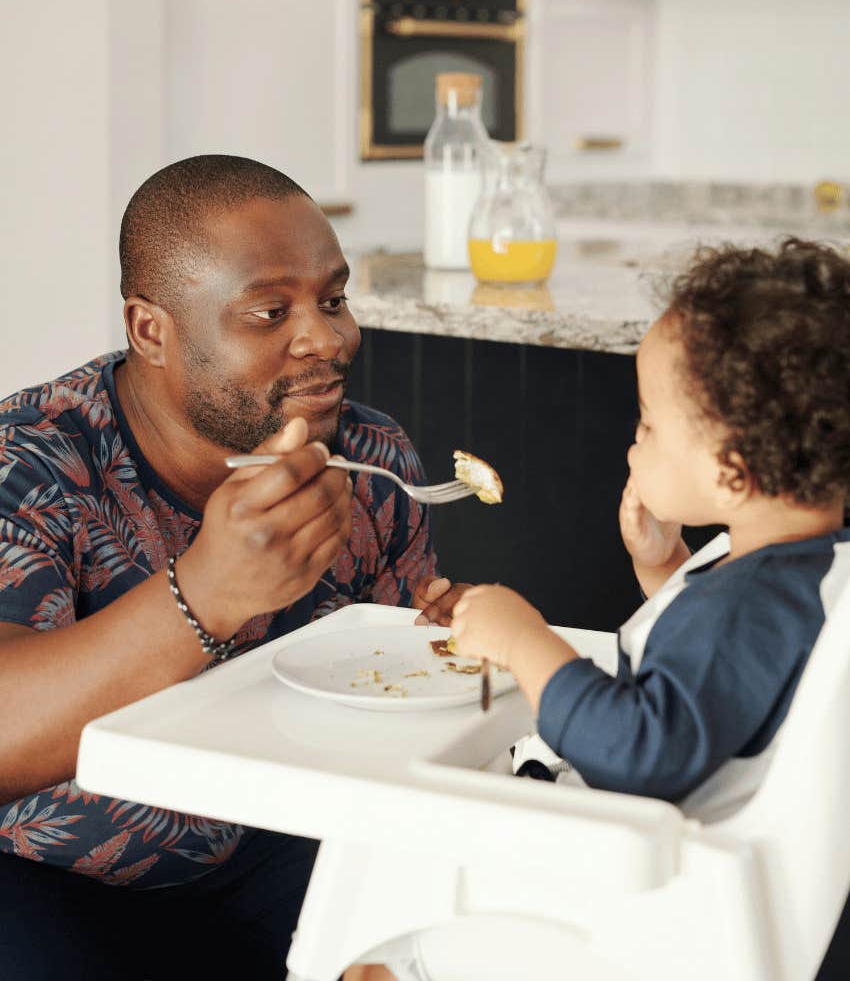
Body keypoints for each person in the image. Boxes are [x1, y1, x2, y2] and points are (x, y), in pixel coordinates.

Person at [0, 154, 465, 980]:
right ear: (151, 330)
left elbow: (399, 710)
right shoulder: (28, 463)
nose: (327, 338)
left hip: (273, 843)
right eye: (269, 311)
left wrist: (452, 646)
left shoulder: (368, 458)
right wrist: (206, 592)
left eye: (332, 299)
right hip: (47, 875)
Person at [451, 237, 850, 822]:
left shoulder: (744, 606)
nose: (635, 440)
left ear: (731, 470)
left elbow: (637, 750)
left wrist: (524, 641)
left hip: (641, 863)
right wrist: (664, 568)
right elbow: (726, 685)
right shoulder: (802, 572)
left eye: (649, 423)